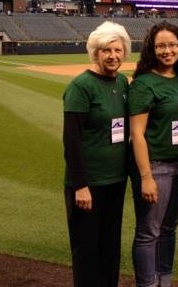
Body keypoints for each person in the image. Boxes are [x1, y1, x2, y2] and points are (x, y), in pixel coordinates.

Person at [62, 21, 132, 287]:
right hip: (88, 185)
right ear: (95, 53)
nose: (113, 56)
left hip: (115, 180)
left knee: (110, 248)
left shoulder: (123, 82)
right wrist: (80, 185)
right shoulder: (81, 86)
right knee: (87, 251)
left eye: (117, 49)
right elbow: (72, 139)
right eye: (106, 50)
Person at [129, 21, 178, 287]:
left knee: (168, 228)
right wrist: (146, 176)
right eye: (161, 46)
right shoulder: (144, 84)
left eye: (172, 45)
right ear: (151, 49)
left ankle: (163, 281)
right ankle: (147, 284)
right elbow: (137, 134)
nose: (167, 50)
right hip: (156, 167)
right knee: (149, 232)